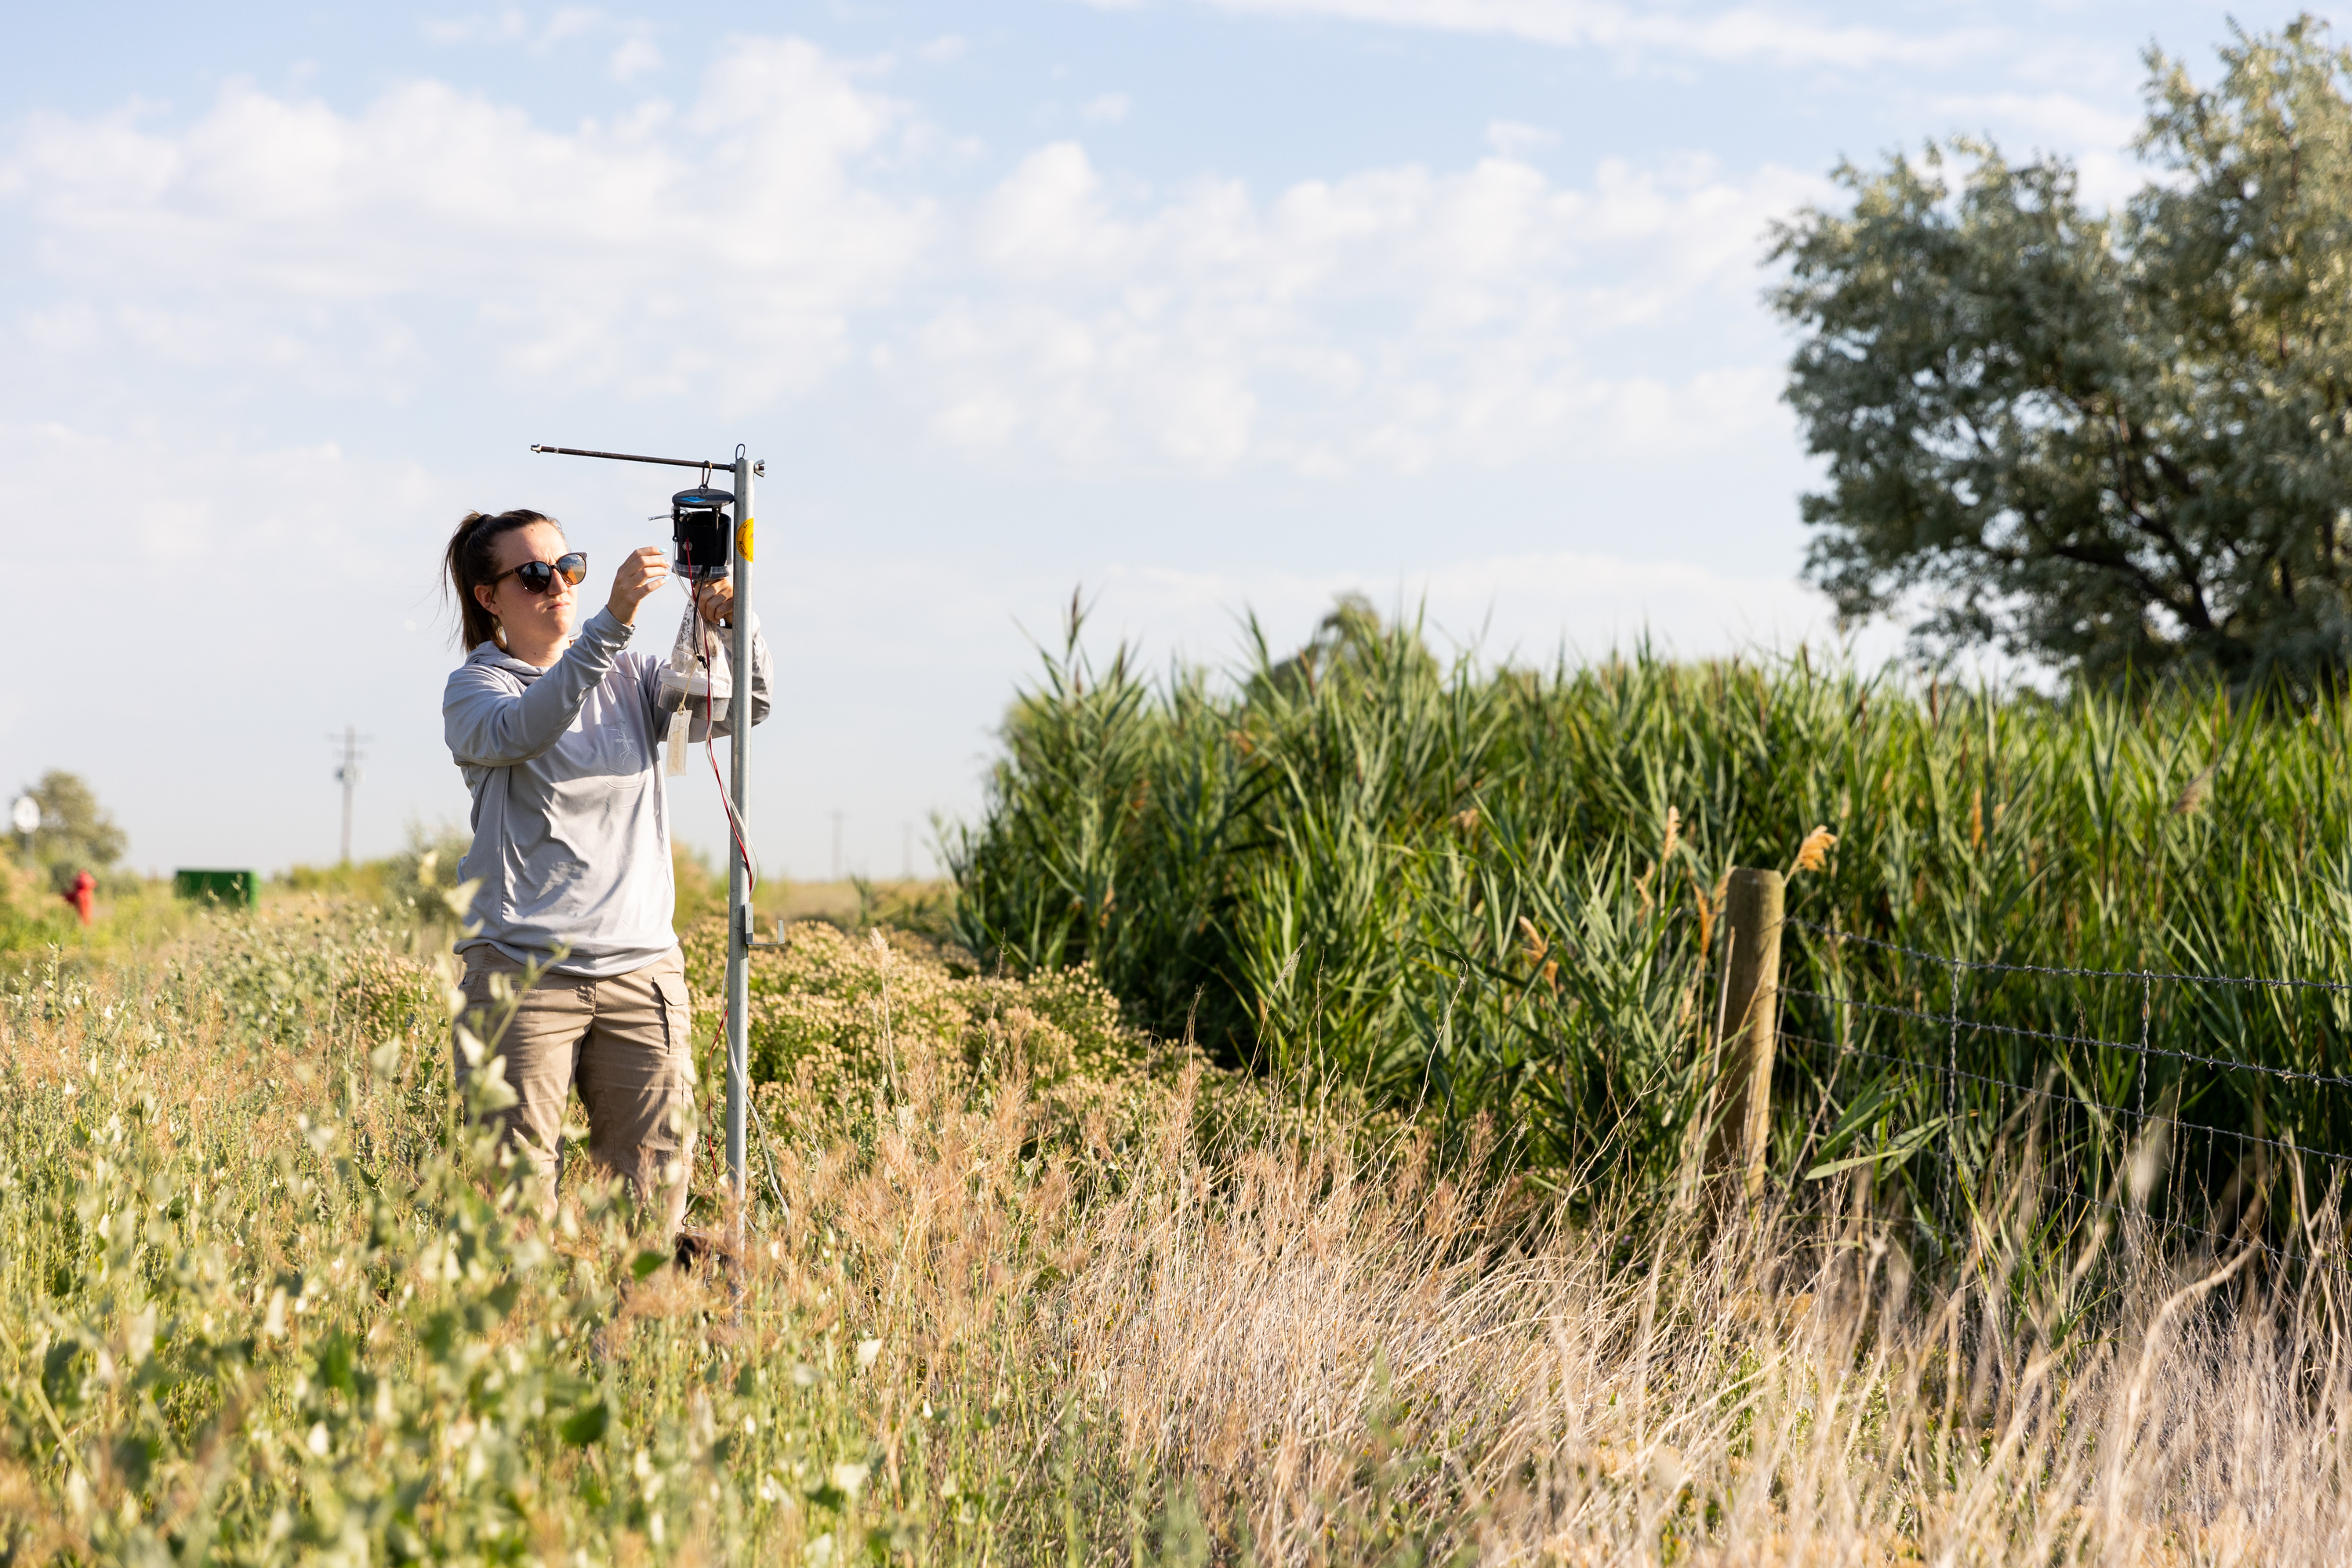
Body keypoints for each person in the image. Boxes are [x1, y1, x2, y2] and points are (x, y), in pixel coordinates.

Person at [440, 506, 770, 1241]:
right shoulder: (476, 691)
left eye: (569, 567)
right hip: (521, 976)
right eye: (533, 574)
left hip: (641, 974)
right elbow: (532, 726)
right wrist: (614, 619)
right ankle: (526, 1354)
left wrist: (726, 621)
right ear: (489, 598)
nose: (558, 584)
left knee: (650, 1205)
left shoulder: (634, 678)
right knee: (515, 1214)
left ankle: (625, 1355)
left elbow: (743, 705)